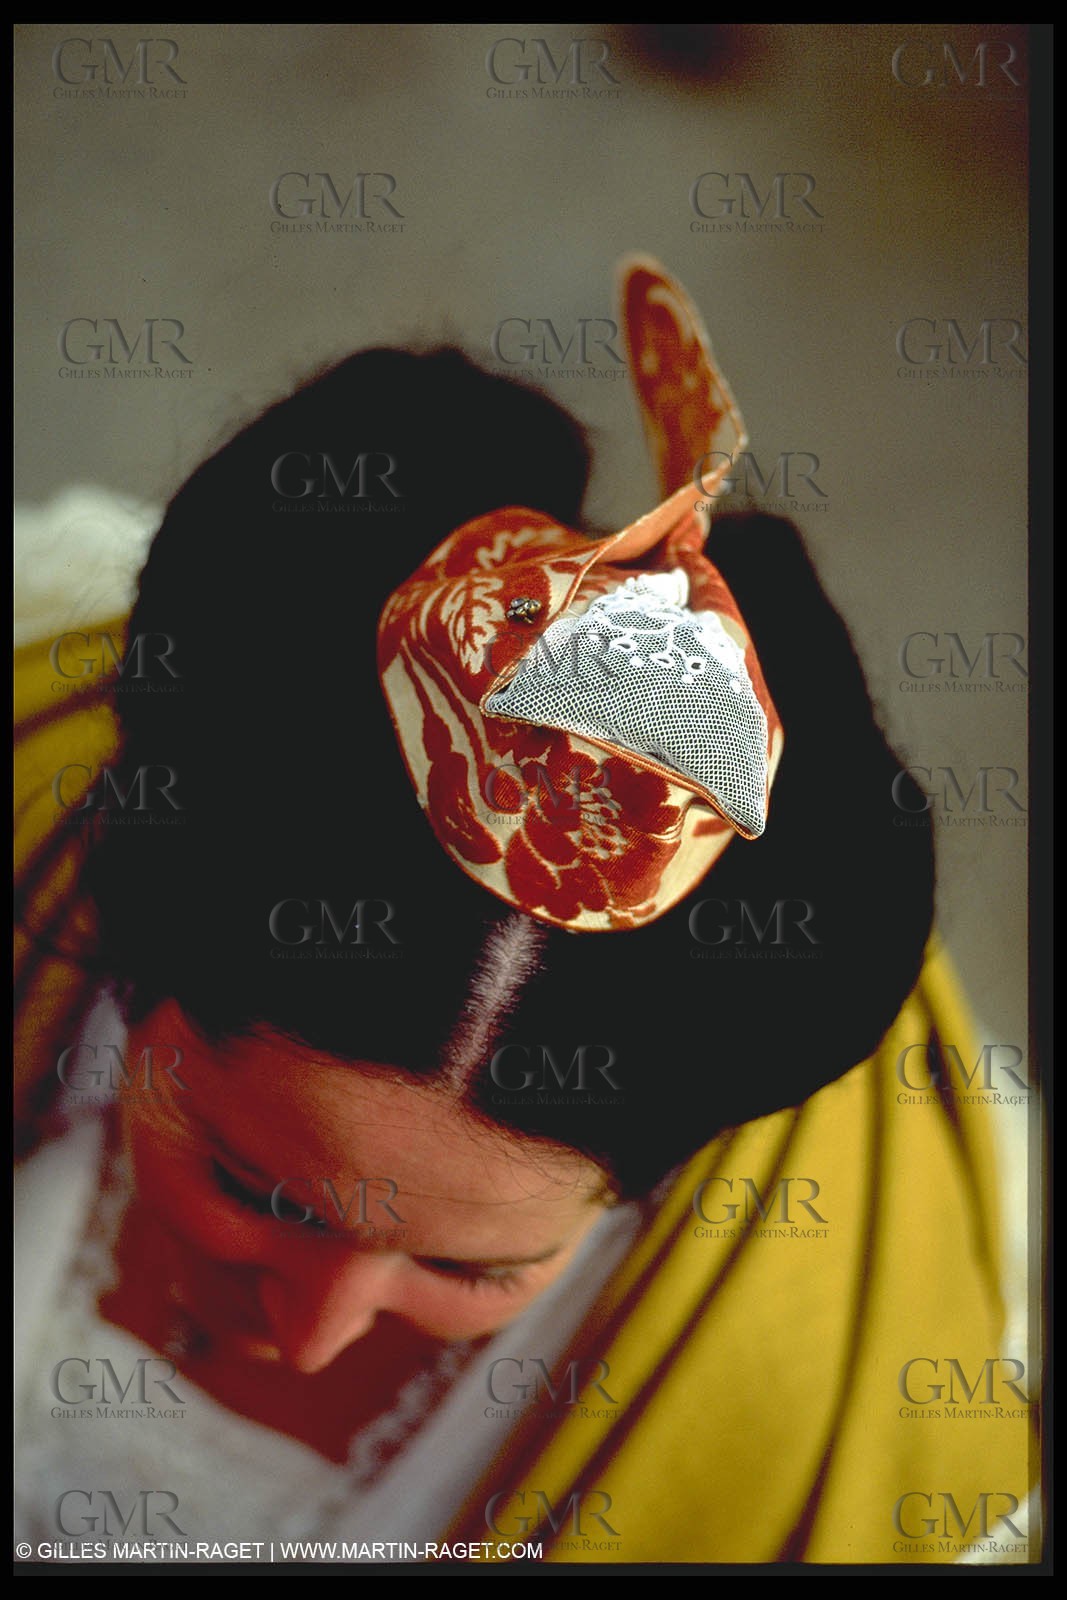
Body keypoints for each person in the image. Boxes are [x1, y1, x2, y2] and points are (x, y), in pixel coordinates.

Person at [13, 260, 1035, 1566]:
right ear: (129, 936)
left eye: (474, 1270)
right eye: (251, 1183)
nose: (314, 1329)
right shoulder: (40, 676)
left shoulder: (830, 1416)